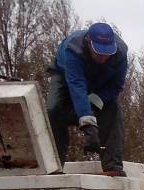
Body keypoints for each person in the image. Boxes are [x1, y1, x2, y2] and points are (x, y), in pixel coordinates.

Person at [46, 22, 128, 176]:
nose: (103, 57)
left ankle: (112, 165)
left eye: (107, 54)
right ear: (88, 43)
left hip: (100, 83)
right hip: (66, 76)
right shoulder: (73, 49)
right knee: (53, 109)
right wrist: (88, 125)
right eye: (98, 53)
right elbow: (76, 85)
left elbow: (116, 85)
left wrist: (95, 101)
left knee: (113, 110)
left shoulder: (121, 53)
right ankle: (54, 166)